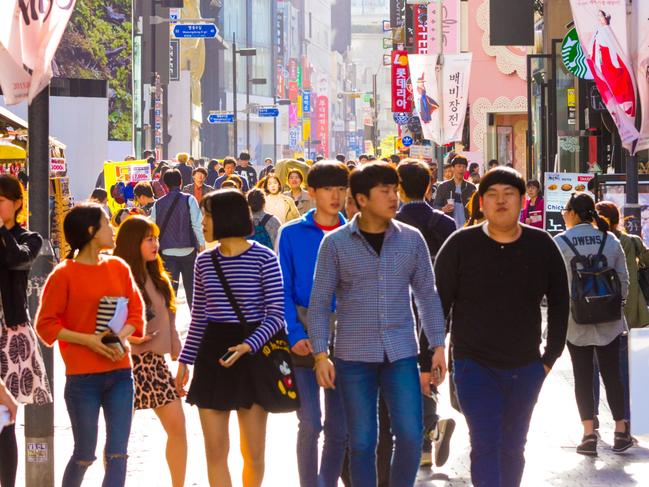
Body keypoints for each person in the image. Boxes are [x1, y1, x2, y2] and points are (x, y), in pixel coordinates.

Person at [309, 162, 447, 487]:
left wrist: (438, 345)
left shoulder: (411, 240)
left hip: (401, 353)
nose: (393, 197)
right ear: (361, 198)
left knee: (412, 436)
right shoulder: (336, 244)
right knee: (361, 442)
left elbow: (427, 294)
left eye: (394, 189)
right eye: (383, 191)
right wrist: (319, 354)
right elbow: (319, 304)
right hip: (352, 356)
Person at [435, 167, 569, 487]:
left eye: (509, 194)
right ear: (481, 202)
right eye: (492, 195)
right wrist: (434, 352)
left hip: (526, 366)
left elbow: (562, 302)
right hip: (472, 363)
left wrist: (548, 359)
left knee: (513, 446)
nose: (500, 201)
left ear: (523, 201)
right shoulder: (460, 244)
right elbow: (436, 303)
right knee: (484, 443)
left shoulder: (541, 244)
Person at [175, 189, 285, 487]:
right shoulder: (204, 262)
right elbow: (199, 317)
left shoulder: (264, 258)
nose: (202, 222)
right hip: (213, 353)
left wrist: (249, 344)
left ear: (225, 217)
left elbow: (276, 315)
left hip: (253, 353)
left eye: (206, 215)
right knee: (215, 452)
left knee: (253, 453)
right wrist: (184, 361)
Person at [35, 203, 144, 487]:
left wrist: (119, 336)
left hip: (121, 372)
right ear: (92, 231)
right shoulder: (63, 274)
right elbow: (46, 324)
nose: (112, 229)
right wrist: (89, 341)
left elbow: (136, 312)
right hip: (82, 378)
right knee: (85, 454)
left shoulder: (119, 266)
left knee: (119, 453)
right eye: (107, 223)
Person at [277, 161, 350, 487]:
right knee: (310, 422)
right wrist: (293, 332)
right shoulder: (291, 233)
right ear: (311, 192)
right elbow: (283, 288)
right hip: (303, 333)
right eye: (328, 189)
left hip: (348, 337)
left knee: (339, 426)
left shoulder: (356, 231)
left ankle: (327, 481)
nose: (336, 196)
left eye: (341, 189)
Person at [554, 193, 632, 455]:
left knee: (583, 376)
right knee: (613, 375)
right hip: (610, 322)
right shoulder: (610, 240)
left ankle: (589, 435)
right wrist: (611, 306)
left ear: (574, 213)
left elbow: (552, 289)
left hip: (575, 322)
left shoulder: (560, 243)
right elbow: (624, 282)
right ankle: (621, 430)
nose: (563, 214)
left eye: (565, 210)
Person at [114, 216, 187, 487]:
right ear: (133, 243)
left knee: (178, 427)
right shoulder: (119, 275)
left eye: (156, 238)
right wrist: (131, 336)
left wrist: (180, 358)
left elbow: (169, 320)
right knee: (118, 438)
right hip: (124, 364)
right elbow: (107, 321)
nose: (155, 244)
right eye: (149, 239)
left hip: (154, 363)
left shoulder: (157, 275)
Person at [0, 175, 52, 487]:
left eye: (3, 199)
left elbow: (16, 259)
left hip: (11, 335)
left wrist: (3, 231)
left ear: (18, 203)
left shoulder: (28, 238)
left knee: (6, 419)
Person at [595, 201, 649, 432]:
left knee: (594, 365)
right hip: (633, 313)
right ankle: (630, 417)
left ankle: (593, 415)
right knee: (629, 367)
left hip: (602, 312)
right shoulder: (632, 242)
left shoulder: (600, 243)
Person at [150, 169, 205, 310]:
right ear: (181, 182)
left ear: (165, 184)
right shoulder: (189, 199)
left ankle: (169, 325)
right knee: (193, 292)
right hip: (189, 250)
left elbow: (153, 227)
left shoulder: (158, 203)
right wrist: (202, 245)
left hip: (167, 252)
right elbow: (197, 224)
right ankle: (197, 324)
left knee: (170, 293)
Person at [433, 155, 476, 229]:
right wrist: (443, 209)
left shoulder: (471, 187)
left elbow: (476, 208)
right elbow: (435, 207)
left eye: (464, 167)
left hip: (467, 227)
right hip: (448, 227)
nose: (461, 169)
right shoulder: (443, 186)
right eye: (459, 166)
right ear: (453, 168)